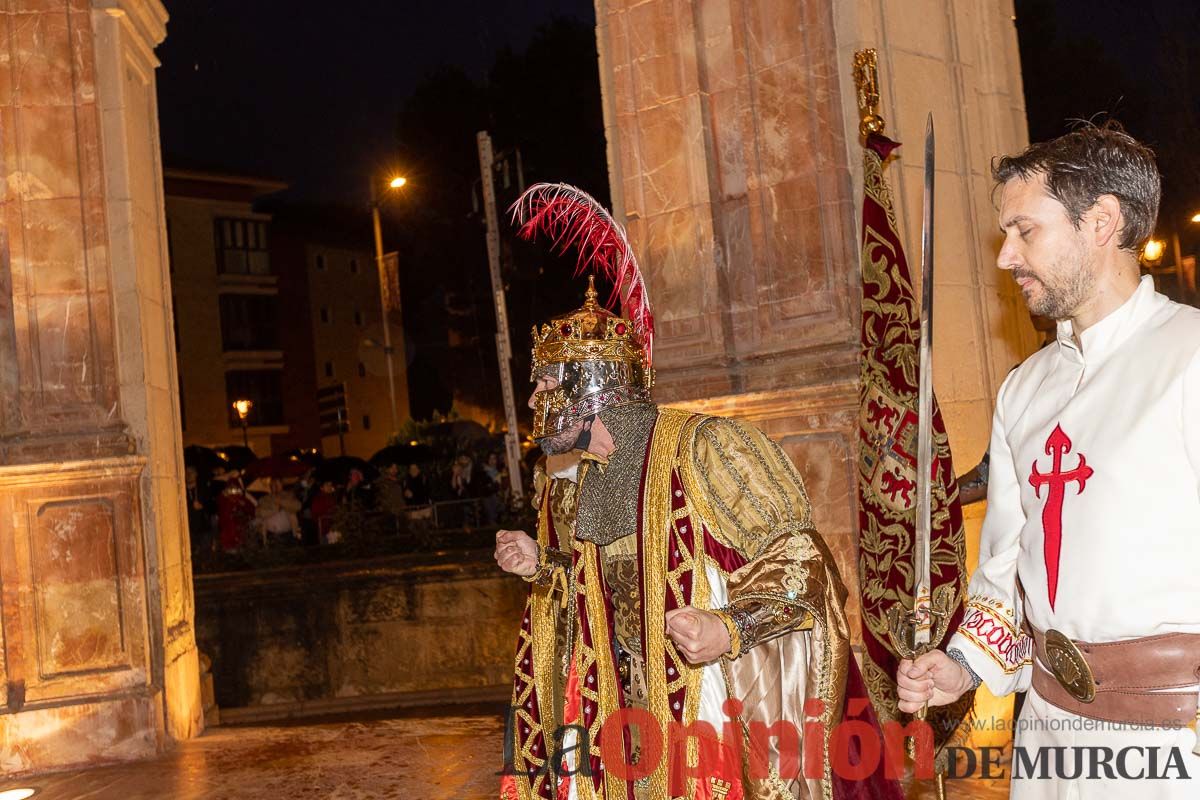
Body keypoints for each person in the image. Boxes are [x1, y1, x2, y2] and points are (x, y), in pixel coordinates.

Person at [495, 185, 899, 800]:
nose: (533, 403)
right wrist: (544, 566)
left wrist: (729, 626)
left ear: (594, 385)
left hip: (708, 720)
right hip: (619, 733)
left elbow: (804, 565)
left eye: (547, 385)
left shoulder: (707, 449)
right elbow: (598, 593)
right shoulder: (575, 484)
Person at [896, 122, 1200, 798]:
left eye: (1024, 231)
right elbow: (1005, 572)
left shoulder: (1191, 356)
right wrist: (963, 666)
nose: (1006, 257)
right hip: (1049, 739)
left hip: (1175, 744)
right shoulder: (1023, 390)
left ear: (1101, 221)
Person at [255, 478, 301, 546]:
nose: (275, 486)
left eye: (277, 484)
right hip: (270, 535)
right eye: (273, 484)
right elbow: (258, 512)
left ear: (281, 485)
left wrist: (281, 502)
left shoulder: (289, 496)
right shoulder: (265, 499)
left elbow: (298, 506)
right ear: (270, 486)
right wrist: (274, 510)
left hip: (288, 535)